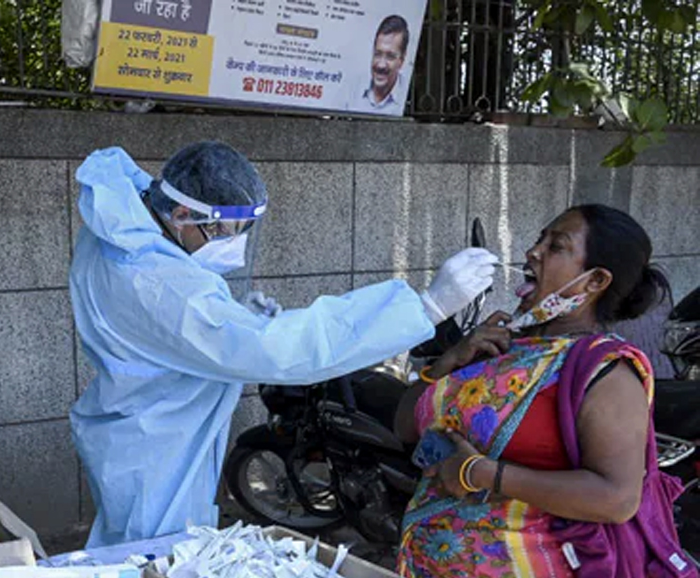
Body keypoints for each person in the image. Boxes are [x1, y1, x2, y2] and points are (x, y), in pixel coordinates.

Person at [70, 142, 498, 547]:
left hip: (142, 419)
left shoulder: (125, 228)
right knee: (149, 556)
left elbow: (184, 323)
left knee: (139, 545)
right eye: (224, 231)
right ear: (182, 213)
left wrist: (233, 316)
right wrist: (424, 308)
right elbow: (277, 350)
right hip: (155, 442)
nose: (234, 245)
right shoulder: (159, 285)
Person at [395, 204, 671, 578]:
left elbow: (616, 497)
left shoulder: (605, 370)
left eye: (557, 245)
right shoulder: (501, 348)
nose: (533, 252)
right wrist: (448, 361)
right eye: (540, 239)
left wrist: (480, 473)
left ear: (594, 281)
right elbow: (406, 428)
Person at [350, 15, 410, 116]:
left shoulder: (407, 96)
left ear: (402, 60)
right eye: (377, 54)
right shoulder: (352, 89)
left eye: (390, 56)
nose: (381, 65)